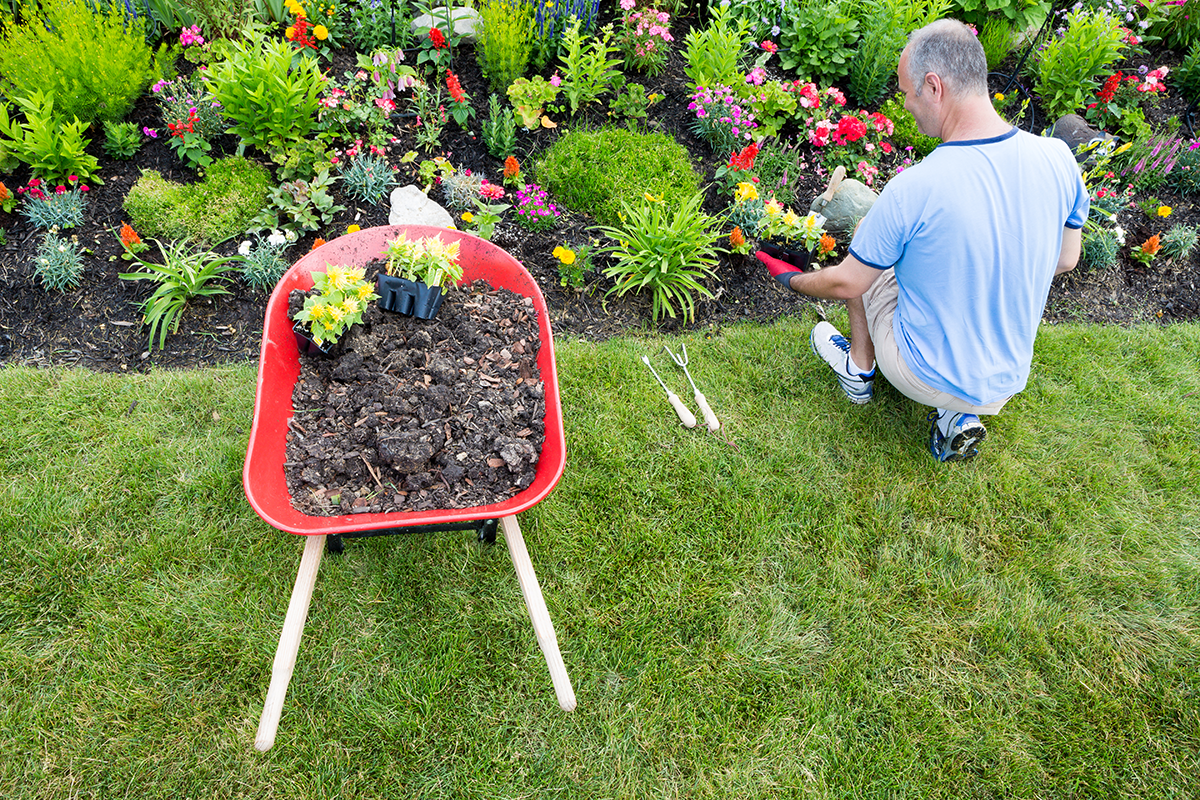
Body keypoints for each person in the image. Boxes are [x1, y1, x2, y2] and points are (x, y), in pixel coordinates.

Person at [757, 18, 1089, 462]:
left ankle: (859, 370)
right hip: (1006, 380)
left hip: (921, 373)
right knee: (943, 262)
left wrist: (793, 280)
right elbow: (1066, 258)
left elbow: (848, 283)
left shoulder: (916, 187)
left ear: (934, 86)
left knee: (867, 242)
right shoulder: (1058, 159)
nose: (906, 104)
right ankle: (957, 415)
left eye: (907, 92)